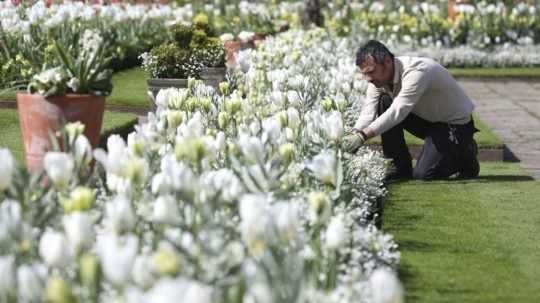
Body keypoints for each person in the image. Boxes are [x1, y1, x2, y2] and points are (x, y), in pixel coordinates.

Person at [343, 40, 479, 180]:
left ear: (387, 62)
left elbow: (398, 111)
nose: (368, 79)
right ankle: (398, 167)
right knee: (385, 102)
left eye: (371, 72)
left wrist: (362, 137)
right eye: (364, 74)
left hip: (454, 124)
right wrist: (354, 134)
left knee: (423, 174)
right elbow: (367, 113)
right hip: (427, 119)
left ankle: (466, 153)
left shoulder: (417, 71)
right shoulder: (377, 81)